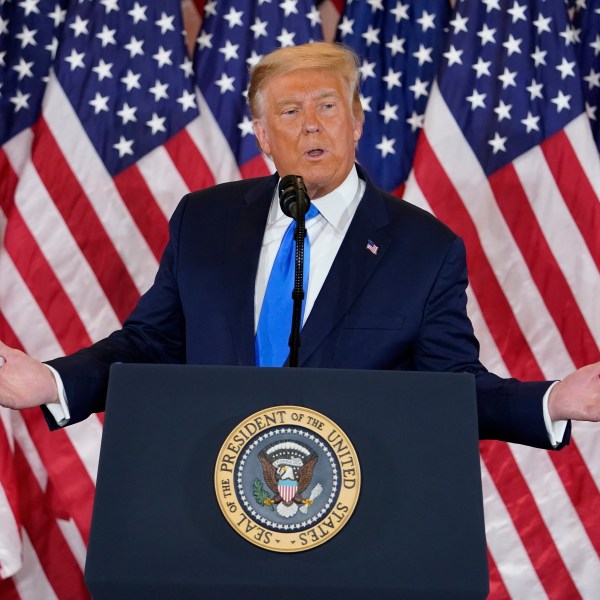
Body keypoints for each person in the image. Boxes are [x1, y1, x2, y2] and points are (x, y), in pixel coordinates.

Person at [0, 42, 598, 447]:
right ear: (262, 134)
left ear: (356, 121)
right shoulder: (203, 221)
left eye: (328, 106)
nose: (312, 124)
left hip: (353, 515)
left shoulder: (425, 248)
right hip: (211, 497)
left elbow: (451, 390)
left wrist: (553, 400)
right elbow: (151, 343)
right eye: (290, 111)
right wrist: (52, 382)